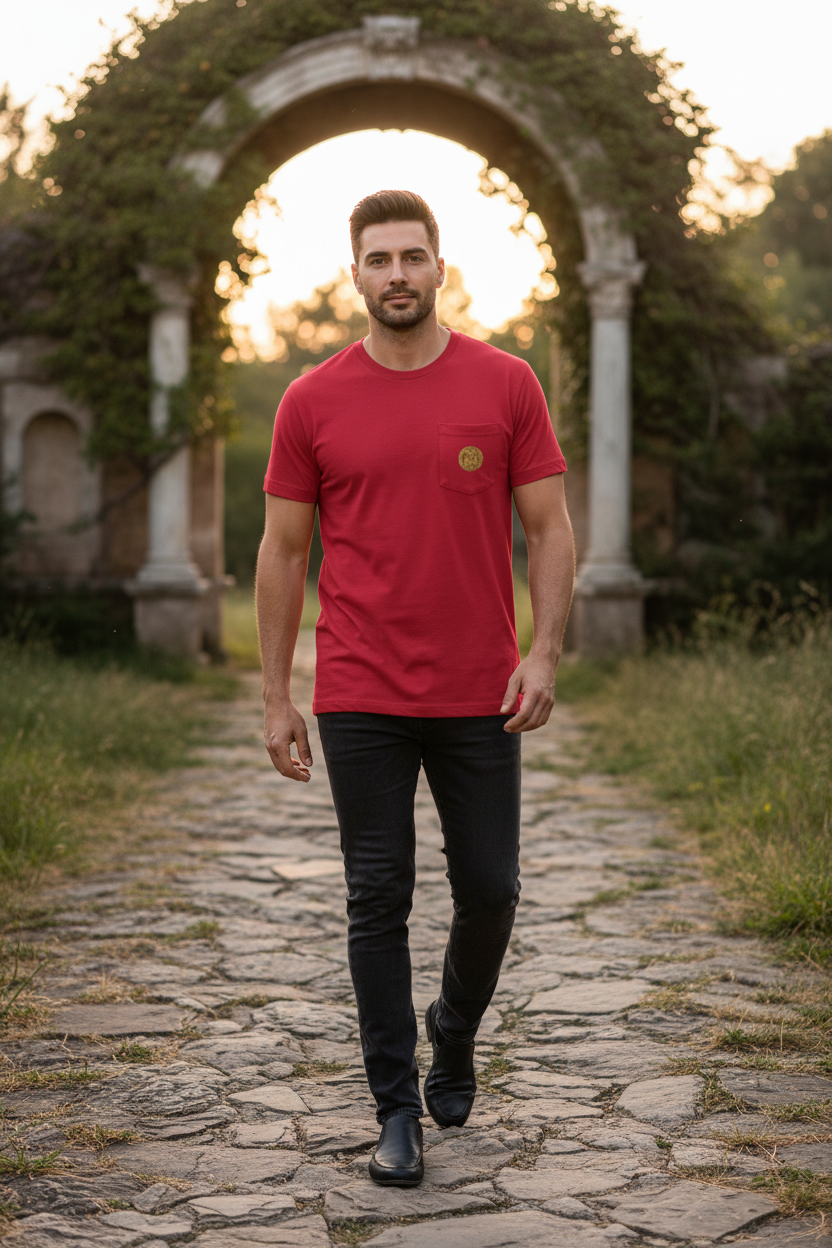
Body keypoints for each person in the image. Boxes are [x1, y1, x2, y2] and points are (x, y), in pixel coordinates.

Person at [256, 189, 575, 1187]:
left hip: (482, 689)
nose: (396, 274)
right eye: (378, 259)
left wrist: (544, 651)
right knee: (375, 895)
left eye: (412, 257)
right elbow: (281, 550)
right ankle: (395, 1111)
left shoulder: (505, 383)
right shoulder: (310, 401)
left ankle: (454, 1026)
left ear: (441, 268)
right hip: (360, 690)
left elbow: (551, 531)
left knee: (490, 890)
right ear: (354, 274)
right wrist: (276, 694)